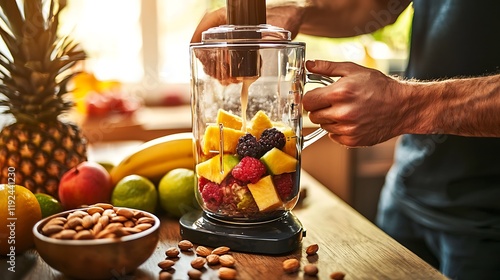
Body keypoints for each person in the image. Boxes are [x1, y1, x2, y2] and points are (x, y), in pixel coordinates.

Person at [191, 0, 500, 278]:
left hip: (487, 216)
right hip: (408, 190)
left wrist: (412, 105)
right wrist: (299, 11)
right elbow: (378, 6)